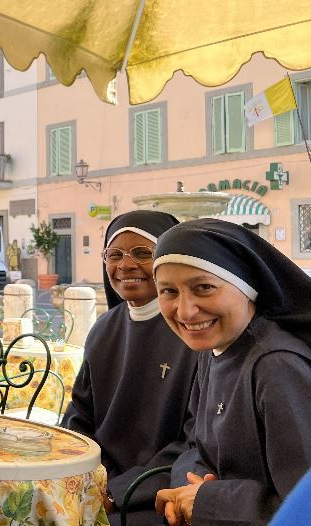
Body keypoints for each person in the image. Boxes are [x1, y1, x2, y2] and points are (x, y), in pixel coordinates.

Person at [151, 219, 311, 526]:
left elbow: (303, 506)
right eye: (169, 291)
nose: (185, 311)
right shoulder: (213, 348)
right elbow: (195, 441)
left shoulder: (276, 367)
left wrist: (206, 500)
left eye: (204, 288)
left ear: (247, 288)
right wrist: (187, 491)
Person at [61, 210, 197, 525]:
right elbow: (79, 415)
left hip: (158, 493)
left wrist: (118, 492)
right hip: (95, 481)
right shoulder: (103, 328)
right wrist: (86, 475)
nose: (125, 265)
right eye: (115, 255)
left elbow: (195, 439)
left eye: (142, 254)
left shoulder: (192, 330)